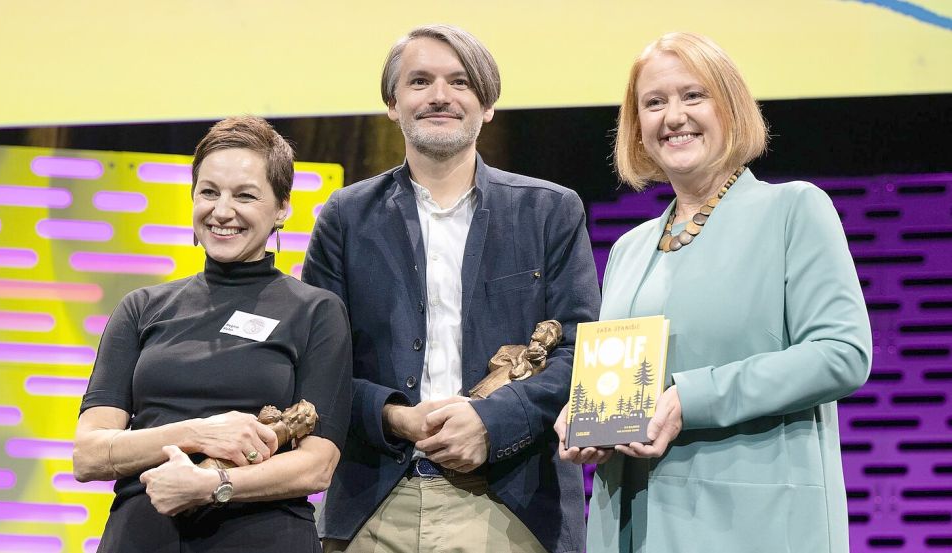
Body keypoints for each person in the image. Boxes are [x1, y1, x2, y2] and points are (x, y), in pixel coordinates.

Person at [555, 32, 872, 552]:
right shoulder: (629, 249)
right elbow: (620, 380)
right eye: (653, 103)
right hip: (630, 526)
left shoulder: (793, 210)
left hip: (754, 525)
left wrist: (690, 399)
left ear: (730, 107)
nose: (673, 116)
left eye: (693, 96)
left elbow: (842, 354)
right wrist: (587, 419)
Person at [302, 24, 601, 553]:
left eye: (460, 82)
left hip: (510, 505)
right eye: (420, 81)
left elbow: (582, 350)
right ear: (392, 103)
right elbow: (318, 363)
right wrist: (392, 416)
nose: (440, 96)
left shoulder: (551, 210)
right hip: (371, 504)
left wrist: (490, 422)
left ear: (487, 105)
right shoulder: (344, 217)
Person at [73, 116, 352, 552]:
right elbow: (88, 455)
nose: (222, 211)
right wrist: (198, 433)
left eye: (245, 195)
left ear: (282, 208)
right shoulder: (141, 307)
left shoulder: (316, 311)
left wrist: (213, 484)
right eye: (209, 192)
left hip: (263, 537)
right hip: (142, 535)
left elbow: (317, 466)